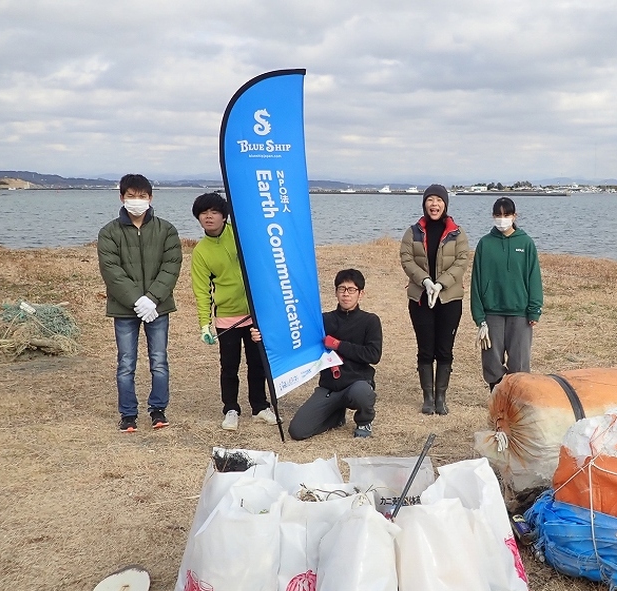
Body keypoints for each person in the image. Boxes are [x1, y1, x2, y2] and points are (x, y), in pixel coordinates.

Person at [97, 174, 182, 432]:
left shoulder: (166, 229)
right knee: (126, 362)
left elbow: (171, 266)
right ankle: (128, 414)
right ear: (122, 197)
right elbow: (111, 271)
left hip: (158, 308)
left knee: (159, 359)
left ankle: (158, 410)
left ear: (150, 198)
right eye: (131, 196)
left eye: (142, 196)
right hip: (124, 309)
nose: (137, 201)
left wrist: (153, 298)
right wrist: (138, 300)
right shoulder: (109, 232)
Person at [189, 192, 278, 431]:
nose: (208, 217)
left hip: (254, 313)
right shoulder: (201, 252)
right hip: (226, 317)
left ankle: (259, 406)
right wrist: (204, 324)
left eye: (214, 212)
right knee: (229, 366)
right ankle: (230, 408)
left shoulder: (240, 234)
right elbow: (201, 291)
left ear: (224, 216)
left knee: (257, 362)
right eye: (203, 213)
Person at [288, 269, 382, 440]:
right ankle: (335, 416)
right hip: (329, 387)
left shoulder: (370, 321)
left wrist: (339, 345)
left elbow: (373, 355)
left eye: (351, 290)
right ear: (336, 292)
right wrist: (261, 336)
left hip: (356, 384)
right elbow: (297, 339)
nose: (346, 294)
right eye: (342, 289)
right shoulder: (324, 320)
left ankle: (364, 421)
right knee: (297, 431)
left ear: (361, 294)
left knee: (362, 392)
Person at [399, 184, 469, 415]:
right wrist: (426, 281)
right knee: (425, 349)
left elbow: (461, 262)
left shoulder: (457, 233)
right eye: (430, 200)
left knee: (445, 349)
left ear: (445, 204)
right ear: (424, 204)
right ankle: (427, 397)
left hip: (449, 298)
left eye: (439, 200)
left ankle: (441, 396)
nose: (434, 204)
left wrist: (441, 284)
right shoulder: (413, 232)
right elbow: (407, 259)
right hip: (421, 297)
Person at [470, 197, 543, 391]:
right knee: (491, 358)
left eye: (506, 215)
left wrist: (534, 310)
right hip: (491, 311)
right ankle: (497, 391)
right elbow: (476, 281)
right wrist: (479, 316)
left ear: (514, 216)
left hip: (520, 312)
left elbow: (533, 277)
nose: (502, 219)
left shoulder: (526, 243)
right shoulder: (485, 244)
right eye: (498, 215)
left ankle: (517, 395)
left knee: (519, 360)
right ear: (493, 216)